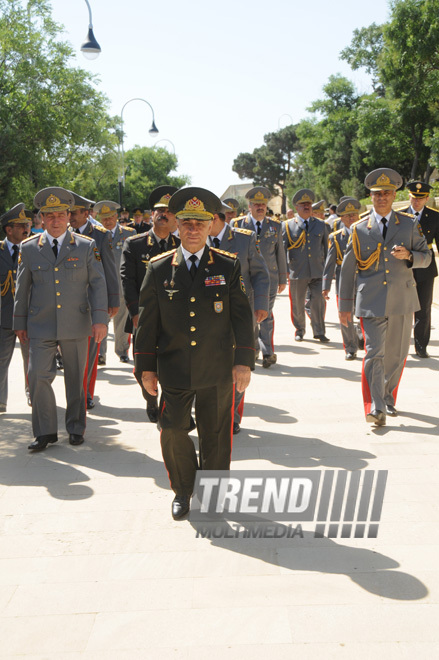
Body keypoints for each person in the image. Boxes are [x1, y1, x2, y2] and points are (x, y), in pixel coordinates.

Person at [134, 187, 255, 520]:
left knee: (215, 433)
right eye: (186, 222)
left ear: (211, 225)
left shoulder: (227, 265)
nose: (192, 230)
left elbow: (242, 316)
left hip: (217, 366)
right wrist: (145, 368)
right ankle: (184, 490)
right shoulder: (158, 268)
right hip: (173, 367)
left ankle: (214, 491)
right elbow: (147, 323)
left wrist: (243, 360)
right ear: (176, 224)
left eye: (200, 224)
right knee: (171, 429)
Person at [13, 187, 108, 450]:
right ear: (41, 219)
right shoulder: (29, 248)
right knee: (36, 376)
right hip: (40, 323)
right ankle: (44, 432)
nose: (55, 220)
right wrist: (19, 323)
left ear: (69, 216)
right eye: (49, 215)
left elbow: (98, 284)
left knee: (76, 378)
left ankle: (75, 427)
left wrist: (100, 319)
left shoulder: (86, 246)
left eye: (60, 214)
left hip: (76, 322)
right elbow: (22, 288)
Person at [338, 168, 431, 426]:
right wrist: (344, 306)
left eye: (387, 193)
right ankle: (376, 407)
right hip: (370, 301)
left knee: (398, 355)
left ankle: (388, 397)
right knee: (374, 353)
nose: (382, 198)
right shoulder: (358, 229)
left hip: (402, 300)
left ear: (394, 196)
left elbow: (427, 258)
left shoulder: (410, 224)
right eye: (377, 194)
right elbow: (347, 271)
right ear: (371, 196)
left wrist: (410, 256)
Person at [121, 185, 180, 422]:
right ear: (151, 214)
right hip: (143, 317)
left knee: (174, 363)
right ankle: (150, 398)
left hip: (174, 318)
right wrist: (135, 313)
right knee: (142, 365)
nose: (163, 214)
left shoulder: (182, 245)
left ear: (175, 216)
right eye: (159, 210)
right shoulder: (134, 245)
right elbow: (127, 281)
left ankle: (169, 403)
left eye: (168, 210)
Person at [209, 203, 269, 434]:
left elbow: (260, 274)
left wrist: (262, 304)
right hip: (207, 316)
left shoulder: (244, 239)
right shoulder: (195, 239)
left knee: (240, 364)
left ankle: (231, 416)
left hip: (240, 315)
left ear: (215, 218)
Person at [68, 192, 119, 407]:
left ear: (86, 213)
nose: (70, 217)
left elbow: (110, 268)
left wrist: (113, 300)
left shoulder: (100, 235)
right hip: (68, 302)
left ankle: (86, 393)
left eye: (74, 213)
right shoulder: (63, 232)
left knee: (89, 351)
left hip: (92, 301)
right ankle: (75, 392)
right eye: (68, 212)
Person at [231, 186, 287, 368]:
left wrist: (282, 278)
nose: (260, 207)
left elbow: (280, 254)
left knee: (266, 315)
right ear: (249, 206)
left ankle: (268, 352)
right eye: (256, 204)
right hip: (245, 281)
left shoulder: (275, 226)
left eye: (263, 204)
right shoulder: (238, 225)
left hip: (268, 280)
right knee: (251, 318)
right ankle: (253, 349)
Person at [398, 181, 439, 358]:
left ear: (427, 199)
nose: (417, 201)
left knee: (423, 308)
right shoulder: (400, 216)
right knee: (401, 307)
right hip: (402, 266)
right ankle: (399, 344)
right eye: (414, 197)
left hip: (425, 266)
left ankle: (421, 345)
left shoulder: (435, 216)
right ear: (409, 196)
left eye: (421, 198)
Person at [283, 189, 330, 342]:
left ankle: (319, 331)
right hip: (297, 271)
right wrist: (284, 271)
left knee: (318, 300)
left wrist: (328, 271)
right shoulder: (288, 226)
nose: (306, 207)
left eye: (308, 204)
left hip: (317, 270)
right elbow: (282, 250)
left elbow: (326, 249)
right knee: (297, 303)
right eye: (303, 204)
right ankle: (299, 329)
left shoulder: (321, 225)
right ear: (296, 207)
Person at [94, 200, 135, 364]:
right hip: (101, 286)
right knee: (101, 320)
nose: (107, 221)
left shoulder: (129, 234)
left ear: (116, 216)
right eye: (104, 218)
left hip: (122, 284)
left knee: (122, 320)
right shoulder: (95, 235)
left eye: (110, 217)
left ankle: (122, 350)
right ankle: (100, 353)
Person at [0, 204, 31, 412]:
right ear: (8, 229)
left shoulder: (33, 249)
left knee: (32, 360)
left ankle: (33, 393)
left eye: (26, 225)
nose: (25, 229)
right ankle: (1, 400)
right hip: (2, 316)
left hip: (29, 316)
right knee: (1, 359)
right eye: (20, 226)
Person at [322, 198, 361, 360]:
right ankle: (350, 347)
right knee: (346, 313)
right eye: (347, 216)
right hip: (343, 278)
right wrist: (326, 285)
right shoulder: (336, 237)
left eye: (354, 215)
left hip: (365, 277)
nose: (351, 218)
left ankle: (362, 336)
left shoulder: (367, 231)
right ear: (341, 218)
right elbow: (330, 262)